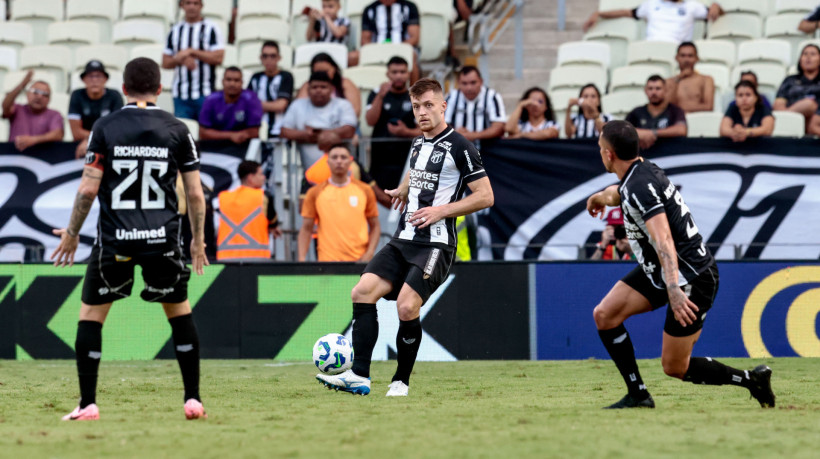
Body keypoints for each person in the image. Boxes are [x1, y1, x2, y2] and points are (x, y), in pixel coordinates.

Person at [50, 57, 209, 421]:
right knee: (179, 312)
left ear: (122, 89)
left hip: (115, 240)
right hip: (162, 240)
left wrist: (72, 234)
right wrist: (197, 240)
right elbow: (195, 194)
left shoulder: (105, 126)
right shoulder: (177, 128)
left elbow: (88, 189)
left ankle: (88, 404)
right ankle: (193, 400)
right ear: (159, 89)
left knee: (91, 316)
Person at [315, 78, 494, 397]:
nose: (422, 112)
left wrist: (441, 211)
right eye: (416, 107)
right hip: (403, 238)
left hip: (436, 243)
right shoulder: (417, 143)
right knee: (362, 291)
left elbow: (485, 196)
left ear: (443, 106)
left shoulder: (461, 147)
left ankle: (400, 381)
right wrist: (403, 188)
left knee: (407, 306)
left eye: (428, 105)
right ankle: (359, 375)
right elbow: (418, 171)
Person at [585, 120, 775, 409]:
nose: (600, 152)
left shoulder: (639, 185)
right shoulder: (641, 171)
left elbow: (663, 239)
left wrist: (674, 289)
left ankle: (752, 380)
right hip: (663, 271)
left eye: (600, 148)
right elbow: (620, 192)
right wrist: (599, 197)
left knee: (675, 366)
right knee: (605, 315)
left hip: (691, 277)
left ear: (609, 154)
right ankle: (638, 395)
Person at [298, 144, 380, 262]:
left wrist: (369, 252)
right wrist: (301, 259)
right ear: (328, 162)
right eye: (334, 157)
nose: (339, 161)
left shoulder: (365, 190)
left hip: (359, 261)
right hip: (327, 261)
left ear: (350, 161)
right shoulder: (314, 192)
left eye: (343, 157)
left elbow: (375, 225)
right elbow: (306, 228)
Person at [281, 71, 357, 182]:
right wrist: (306, 135)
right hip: (311, 175)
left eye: (323, 87)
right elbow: (284, 131)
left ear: (331, 89)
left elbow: (349, 130)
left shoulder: (343, 105)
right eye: (314, 87)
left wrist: (318, 135)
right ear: (308, 89)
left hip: (344, 176)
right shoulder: (297, 105)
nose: (319, 90)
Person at [162, 0, 225, 119]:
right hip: (181, 94)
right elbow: (165, 62)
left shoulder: (211, 28)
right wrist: (180, 59)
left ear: (201, 6)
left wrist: (192, 52)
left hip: (205, 92)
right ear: (182, 5)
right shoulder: (175, 30)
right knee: (184, 129)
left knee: (205, 129)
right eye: (188, 3)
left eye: (195, 3)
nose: (192, 7)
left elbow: (219, 58)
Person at [216, 160, 281, 261]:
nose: (264, 177)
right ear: (250, 178)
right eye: (261, 174)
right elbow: (273, 221)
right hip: (257, 258)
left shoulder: (223, 197)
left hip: (226, 258)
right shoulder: (263, 196)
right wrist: (273, 227)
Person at [583, 0, 723, 44]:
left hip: (676, 49)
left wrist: (716, 6)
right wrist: (599, 13)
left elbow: (717, 13)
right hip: (650, 46)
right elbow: (627, 12)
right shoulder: (651, 4)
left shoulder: (692, 6)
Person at [68, 60, 124, 159]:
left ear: (105, 79)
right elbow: (76, 132)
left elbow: (116, 129)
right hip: (82, 146)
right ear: (83, 79)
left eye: (98, 76)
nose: (94, 80)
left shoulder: (114, 96)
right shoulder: (77, 95)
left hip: (108, 145)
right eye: (90, 76)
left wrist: (89, 140)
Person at [358, 0, 421, 82]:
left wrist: (394, 48)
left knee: (412, 57)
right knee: (352, 57)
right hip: (377, 48)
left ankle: (414, 89)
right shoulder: (370, 9)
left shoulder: (409, 7)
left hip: (402, 47)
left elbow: (414, 38)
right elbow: (365, 40)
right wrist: (380, 50)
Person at [444, 66, 506, 146]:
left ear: (481, 82)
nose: (469, 88)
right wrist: (454, 132)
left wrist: (473, 135)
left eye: (473, 83)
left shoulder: (492, 96)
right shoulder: (451, 97)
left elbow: (499, 127)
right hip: (456, 146)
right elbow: (440, 125)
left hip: (487, 147)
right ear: (458, 83)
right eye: (464, 83)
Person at [1, 71, 64, 151]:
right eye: (35, 92)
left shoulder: (54, 114)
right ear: (27, 94)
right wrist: (22, 85)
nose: (39, 97)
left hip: (42, 156)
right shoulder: (17, 109)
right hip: (14, 155)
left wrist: (33, 140)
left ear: (49, 99)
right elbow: (6, 105)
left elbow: (57, 134)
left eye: (45, 94)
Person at [198, 67, 263, 143]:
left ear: (242, 83)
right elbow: (203, 133)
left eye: (236, 80)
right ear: (222, 82)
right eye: (228, 80)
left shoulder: (251, 99)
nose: (232, 84)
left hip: (242, 145)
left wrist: (237, 136)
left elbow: (254, 132)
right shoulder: (210, 99)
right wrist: (231, 135)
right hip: (214, 145)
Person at [247, 41, 294, 141]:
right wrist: (271, 105)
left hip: (279, 131)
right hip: (256, 130)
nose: (269, 60)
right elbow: (247, 104)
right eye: (265, 56)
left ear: (279, 58)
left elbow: (281, 106)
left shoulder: (286, 77)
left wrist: (257, 105)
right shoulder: (255, 77)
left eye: (273, 56)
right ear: (261, 58)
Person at [625, 75, 687, 149]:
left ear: (665, 90)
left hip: (669, 152)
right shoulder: (636, 112)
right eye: (650, 88)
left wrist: (653, 133)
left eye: (658, 88)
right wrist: (638, 133)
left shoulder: (675, 111)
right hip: (643, 153)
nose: (654, 92)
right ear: (645, 91)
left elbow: (681, 130)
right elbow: (623, 130)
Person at [365, 56, 420, 139]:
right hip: (380, 144)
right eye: (394, 72)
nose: (398, 76)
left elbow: (424, 130)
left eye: (402, 72)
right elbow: (370, 121)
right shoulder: (376, 93)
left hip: (408, 145)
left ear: (408, 74)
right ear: (387, 74)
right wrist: (380, 96)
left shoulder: (415, 96)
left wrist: (406, 132)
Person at [295, 53, 362, 117]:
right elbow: (299, 110)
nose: (322, 75)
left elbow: (354, 111)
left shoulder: (345, 83)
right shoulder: (307, 86)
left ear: (334, 69)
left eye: (326, 71)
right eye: (318, 72)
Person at [773, 44, 820, 131]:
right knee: (808, 104)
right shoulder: (790, 80)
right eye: (805, 54)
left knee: (810, 106)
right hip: (790, 123)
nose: (808, 57)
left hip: (817, 121)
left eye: (813, 54)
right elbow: (778, 104)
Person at [666, 42, 715, 113]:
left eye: (690, 56)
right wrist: (678, 79)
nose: (686, 60)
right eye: (683, 56)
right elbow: (665, 107)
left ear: (697, 58)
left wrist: (679, 108)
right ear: (676, 58)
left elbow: (708, 106)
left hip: (698, 118)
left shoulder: (706, 80)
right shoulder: (669, 82)